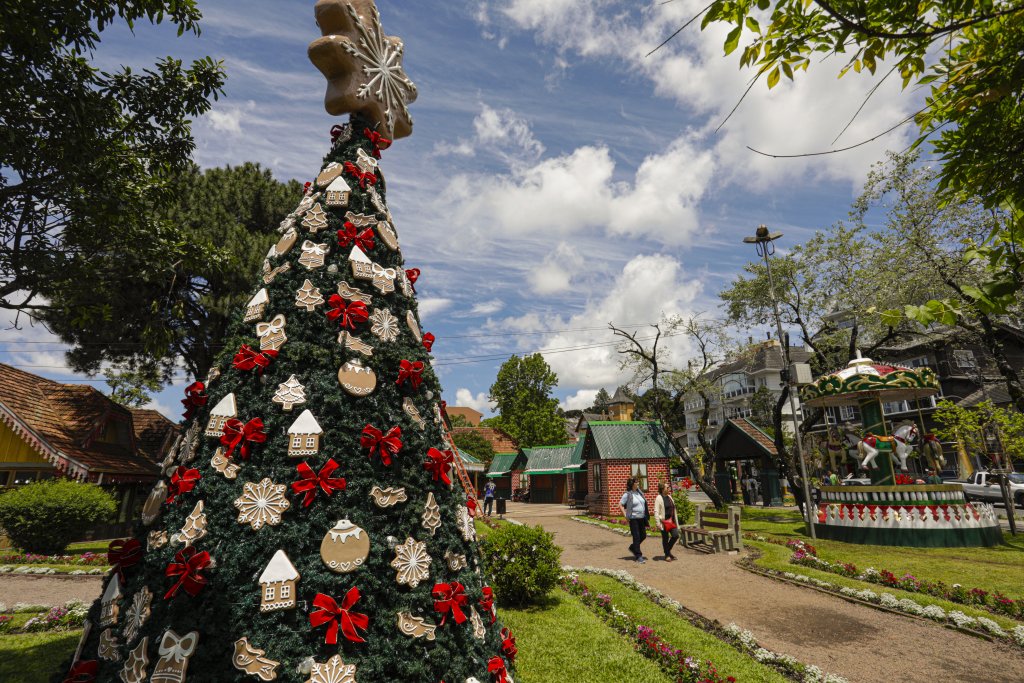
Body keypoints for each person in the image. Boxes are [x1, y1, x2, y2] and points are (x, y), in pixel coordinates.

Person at [619, 477, 648, 564]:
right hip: (633, 518)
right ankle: (638, 556)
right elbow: (620, 504)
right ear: (632, 484)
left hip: (642, 518)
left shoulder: (639, 492)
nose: (638, 483)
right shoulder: (627, 494)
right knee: (636, 537)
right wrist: (625, 515)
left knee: (643, 535)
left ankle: (633, 547)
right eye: (636, 482)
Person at [654, 482, 680, 561]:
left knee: (675, 535)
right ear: (662, 489)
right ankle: (667, 555)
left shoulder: (669, 497)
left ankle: (667, 551)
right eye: (667, 487)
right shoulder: (659, 498)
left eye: (669, 487)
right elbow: (656, 511)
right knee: (665, 538)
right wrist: (658, 523)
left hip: (672, 521)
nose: (669, 488)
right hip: (664, 522)